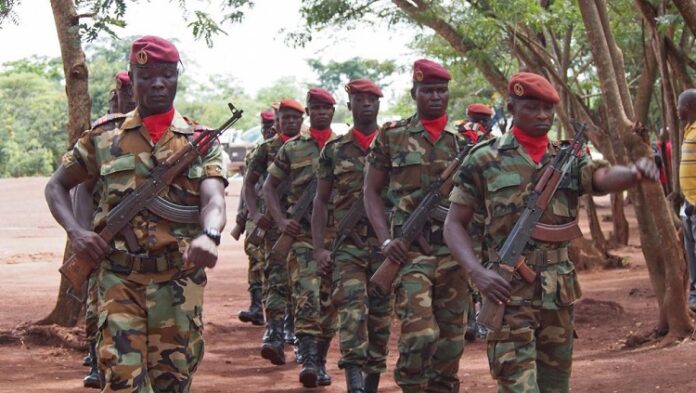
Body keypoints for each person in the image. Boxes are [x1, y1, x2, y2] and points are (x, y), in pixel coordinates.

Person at [444, 71, 659, 392]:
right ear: (511, 107)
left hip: (557, 295)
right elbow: (453, 224)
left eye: (548, 108)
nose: (543, 115)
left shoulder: (568, 158)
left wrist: (633, 173)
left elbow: (600, 178)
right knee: (519, 387)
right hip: (507, 294)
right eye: (532, 107)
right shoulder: (484, 158)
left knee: (555, 387)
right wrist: (476, 273)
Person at [45, 35, 227, 392]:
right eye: (146, 76)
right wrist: (76, 232)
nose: (157, 83)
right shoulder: (103, 138)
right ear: (133, 77)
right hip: (118, 282)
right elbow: (56, 187)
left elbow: (214, 200)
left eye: (166, 74)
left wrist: (210, 234)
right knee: (122, 382)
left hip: (177, 283)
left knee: (172, 384)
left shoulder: (199, 141)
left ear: (177, 77)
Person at [364, 59, 471, 393]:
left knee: (451, 343)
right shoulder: (393, 136)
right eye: (428, 90)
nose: (436, 96)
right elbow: (370, 191)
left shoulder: (464, 143)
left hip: (455, 254)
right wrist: (385, 242)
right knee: (420, 335)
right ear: (414, 93)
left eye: (442, 90)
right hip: (409, 254)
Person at [312, 79, 392, 393]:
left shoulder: (394, 145)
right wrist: (319, 248)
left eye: (372, 99)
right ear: (350, 105)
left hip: (386, 247)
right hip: (348, 248)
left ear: (379, 104)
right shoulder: (334, 150)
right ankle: (355, 384)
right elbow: (320, 200)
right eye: (360, 99)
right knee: (352, 310)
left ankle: (371, 382)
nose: (367, 104)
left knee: (381, 319)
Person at [264, 88, 339, 388]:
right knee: (307, 297)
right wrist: (281, 221)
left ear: (333, 112)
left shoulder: (343, 147)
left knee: (330, 303)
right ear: (310, 112)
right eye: (316, 108)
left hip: (339, 238)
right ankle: (307, 361)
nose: (321, 112)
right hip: (304, 237)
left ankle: (320, 360)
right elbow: (269, 186)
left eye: (326, 108)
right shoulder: (292, 149)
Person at [77, 70, 135, 389]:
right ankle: (97, 360)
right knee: (96, 303)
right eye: (124, 93)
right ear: (118, 95)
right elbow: (79, 188)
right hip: (104, 233)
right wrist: (82, 233)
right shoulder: (104, 134)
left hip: (140, 240)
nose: (131, 97)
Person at [244, 99, 303, 365]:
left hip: (305, 228)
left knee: (303, 284)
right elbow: (249, 184)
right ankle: (275, 335)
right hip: (274, 228)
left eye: (296, 118)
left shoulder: (311, 149)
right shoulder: (266, 150)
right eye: (286, 118)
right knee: (277, 280)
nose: (290, 122)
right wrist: (255, 215)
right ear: (277, 120)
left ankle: (300, 337)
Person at [236, 110, 280, 327]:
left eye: (272, 126)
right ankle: (256, 306)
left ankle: (278, 314)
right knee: (254, 257)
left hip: (279, 213)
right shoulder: (256, 152)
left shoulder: (288, 149)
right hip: (258, 213)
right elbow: (247, 186)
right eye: (265, 127)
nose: (269, 130)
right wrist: (242, 213)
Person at [677, 88, 696, 311]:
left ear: (688, 108)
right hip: (688, 207)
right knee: (691, 256)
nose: (677, 110)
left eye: (679, 106)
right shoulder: (688, 131)